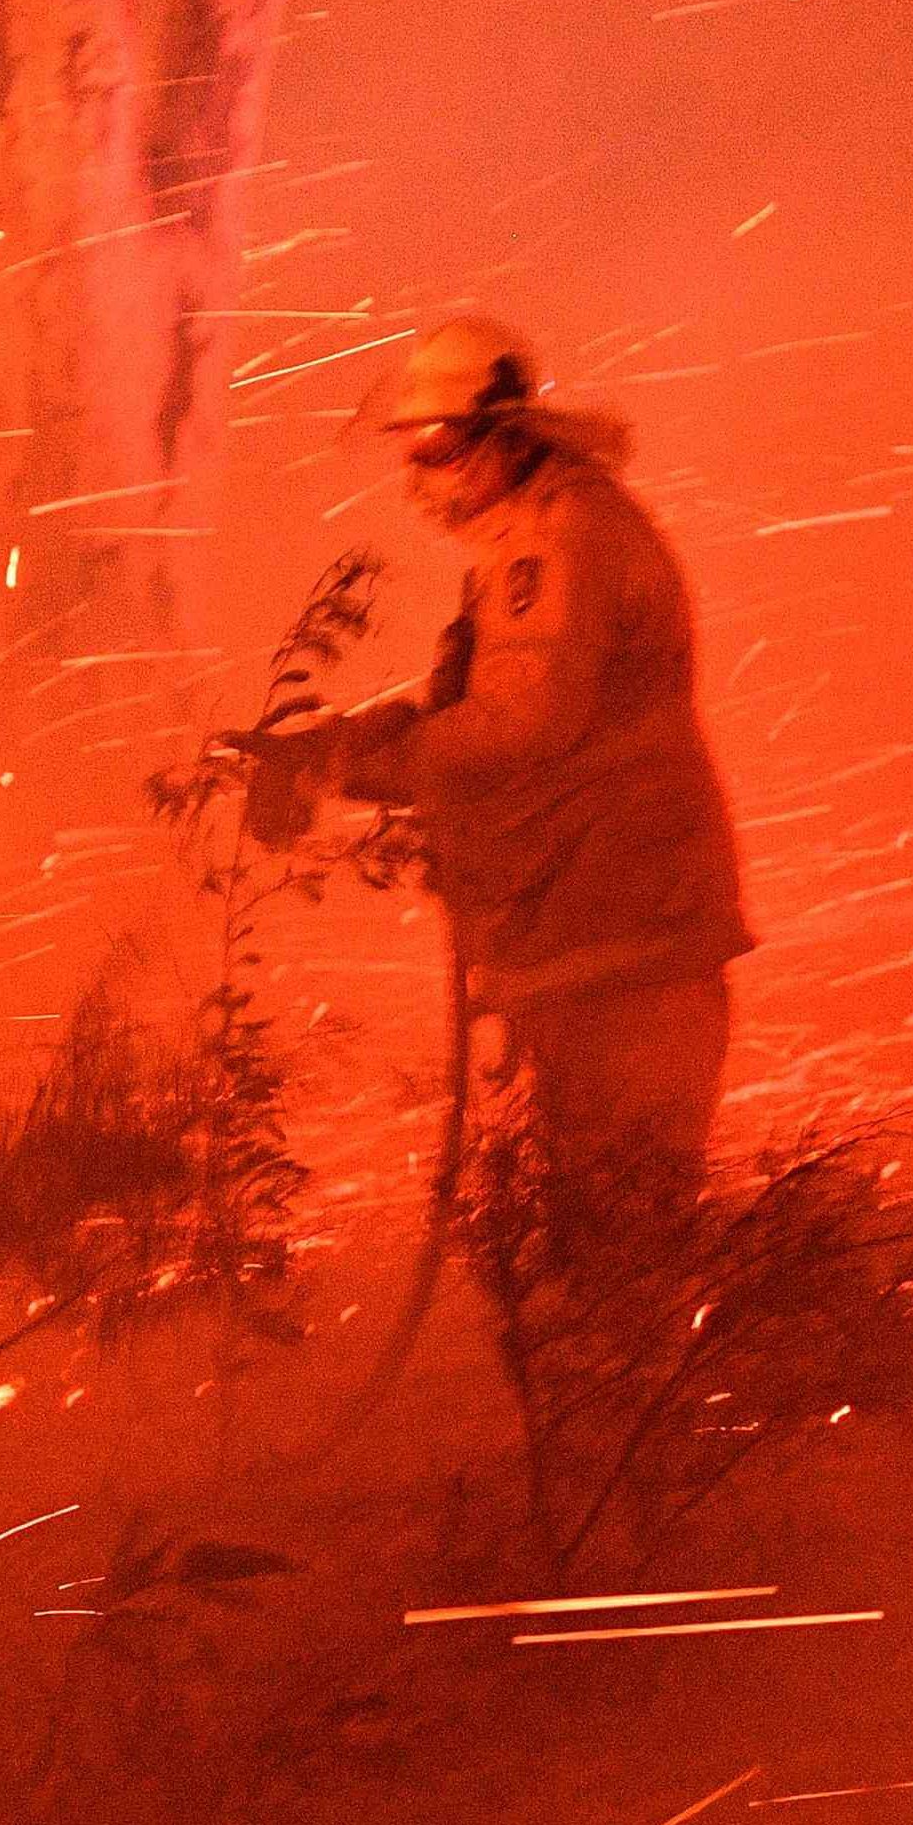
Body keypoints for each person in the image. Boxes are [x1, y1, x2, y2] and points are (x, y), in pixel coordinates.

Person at [251, 315, 753, 1197]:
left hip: (627, 949)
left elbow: (517, 725)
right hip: (597, 941)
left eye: (439, 441)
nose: (420, 468)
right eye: (410, 443)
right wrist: (330, 746)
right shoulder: (528, 537)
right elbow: (462, 711)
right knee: (592, 1262)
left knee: (620, 1260)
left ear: (505, 433)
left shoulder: (557, 540)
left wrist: (340, 770)